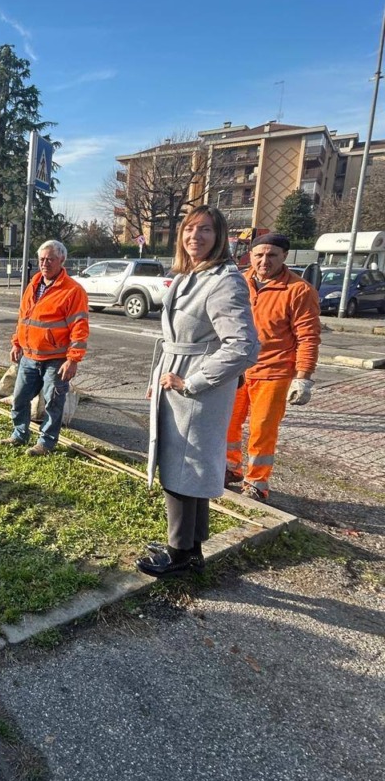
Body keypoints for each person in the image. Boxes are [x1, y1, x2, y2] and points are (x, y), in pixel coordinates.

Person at [139, 207, 259, 578]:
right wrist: (156, 381)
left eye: (204, 230)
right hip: (175, 383)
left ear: (219, 235)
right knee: (186, 470)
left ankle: (178, 555)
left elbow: (243, 346)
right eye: (189, 229)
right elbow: (175, 341)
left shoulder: (224, 280)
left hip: (194, 391)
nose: (195, 236)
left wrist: (192, 382)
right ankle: (191, 549)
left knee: (181, 471)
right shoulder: (190, 275)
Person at [225, 232, 321, 502]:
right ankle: (230, 468)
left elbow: (308, 336)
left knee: (262, 429)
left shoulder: (298, 291)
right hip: (237, 369)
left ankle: (256, 481)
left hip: (274, 372)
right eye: (259, 255)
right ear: (250, 256)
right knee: (227, 423)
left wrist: (303, 377)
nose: (264, 260)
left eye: (272, 255)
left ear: (284, 257)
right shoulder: (240, 283)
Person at [2, 239, 89, 455]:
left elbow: (80, 327)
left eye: (50, 259)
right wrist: (16, 343)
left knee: (53, 403)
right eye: (42, 259)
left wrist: (73, 359)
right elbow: (24, 318)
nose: (45, 263)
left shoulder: (72, 291)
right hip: (29, 356)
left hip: (57, 360)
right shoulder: (34, 284)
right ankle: (19, 434)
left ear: (62, 260)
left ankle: (46, 443)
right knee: (20, 398)